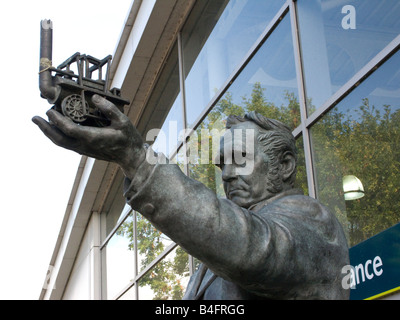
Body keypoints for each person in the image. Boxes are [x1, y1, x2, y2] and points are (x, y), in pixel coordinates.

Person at [33, 94, 350, 299]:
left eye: (240, 159)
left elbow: (253, 250)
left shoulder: (311, 220)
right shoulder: (216, 257)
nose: (226, 174)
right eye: (222, 164)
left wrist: (135, 158)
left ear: (284, 166)